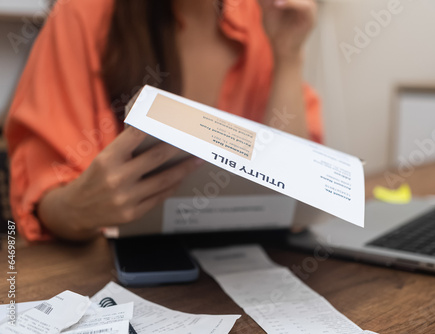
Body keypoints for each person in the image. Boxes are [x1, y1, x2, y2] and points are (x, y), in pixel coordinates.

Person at [6, 0, 323, 242]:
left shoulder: (262, 18)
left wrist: (288, 56)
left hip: (235, 271)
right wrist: (78, 209)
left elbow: (294, 201)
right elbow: (45, 202)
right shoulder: (82, 13)